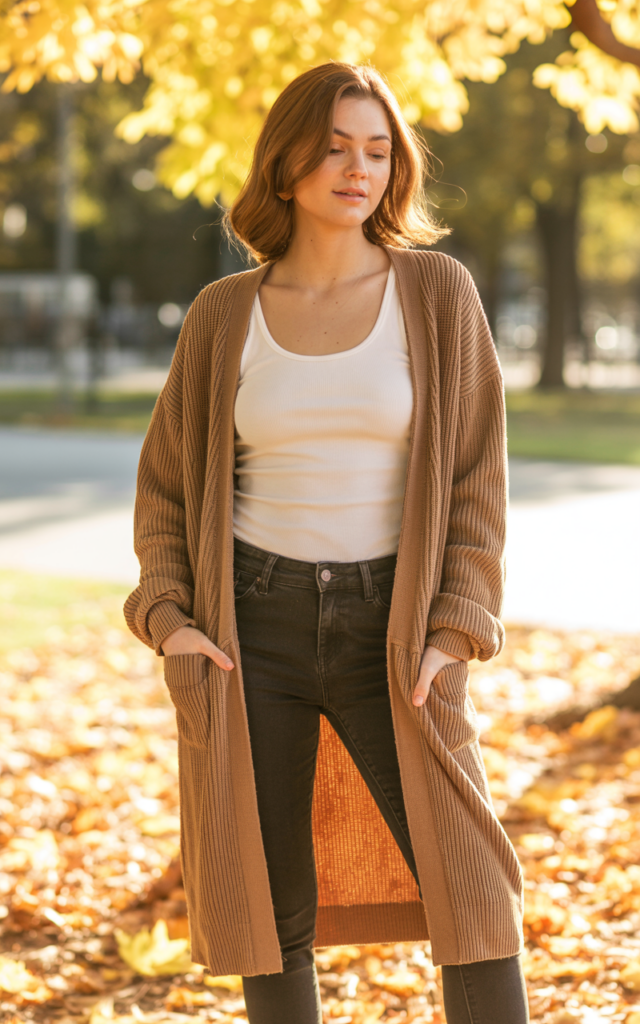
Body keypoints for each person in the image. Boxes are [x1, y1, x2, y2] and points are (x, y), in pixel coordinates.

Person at [124, 62, 528, 1024]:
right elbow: (169, 492)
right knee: (272, 903)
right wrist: (172, 621)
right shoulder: (224, 317)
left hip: (394, 629)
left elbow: (476, 480)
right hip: (247, 629)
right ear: (287, 163)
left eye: (379, 151)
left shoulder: (436, 294)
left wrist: (455, 626)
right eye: (337, 147)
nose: (360, 169)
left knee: (470, 887)